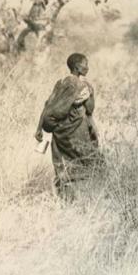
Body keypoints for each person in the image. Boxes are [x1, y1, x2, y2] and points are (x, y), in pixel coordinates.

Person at [35, 53, 101, 199]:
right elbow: (90, 110)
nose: (87, 67)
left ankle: (64, 201)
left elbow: (48, 105)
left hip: (59, 134)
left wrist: (39, 128)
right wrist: (90, 95)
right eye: (85, 64)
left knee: (63, 166)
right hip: (79, 132)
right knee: (87, 164)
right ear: (77, 67)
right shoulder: (85, 87)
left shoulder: (60, 83)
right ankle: (84, 202)